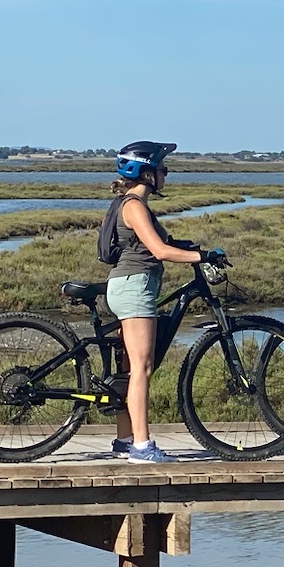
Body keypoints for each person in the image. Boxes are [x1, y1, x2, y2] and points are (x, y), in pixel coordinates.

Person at [100, 140, 213, 463]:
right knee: (142, 368)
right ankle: (142, 447)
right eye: (163, 169)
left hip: (128, 285)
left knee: (128, 369)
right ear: (147, 173)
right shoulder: (134, 206)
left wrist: (187, 246)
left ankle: (125, 439)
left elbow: (160, 242)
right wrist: (201, 256)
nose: (167, 174)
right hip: (135, 287)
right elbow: (160, 251)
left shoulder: (130, 203)